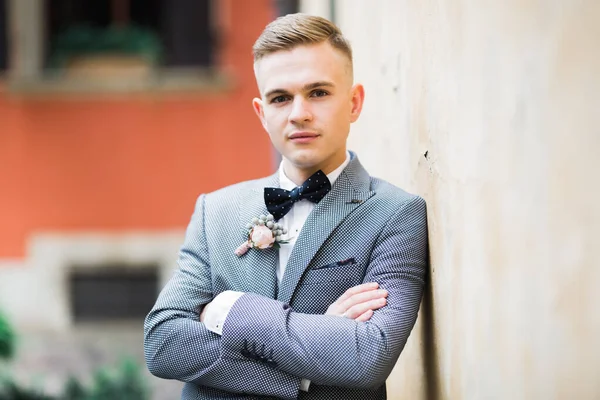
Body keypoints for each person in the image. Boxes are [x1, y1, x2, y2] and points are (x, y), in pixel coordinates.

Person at [144, 13, 428, 400]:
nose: (299, 114)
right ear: (263, 114)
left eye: (318, 92)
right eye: (281, 98)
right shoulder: (216, 211)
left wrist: (232, 310)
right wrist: (308, 364)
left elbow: (368, 357)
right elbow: (163, 343)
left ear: (354, 102)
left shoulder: (397, 213)